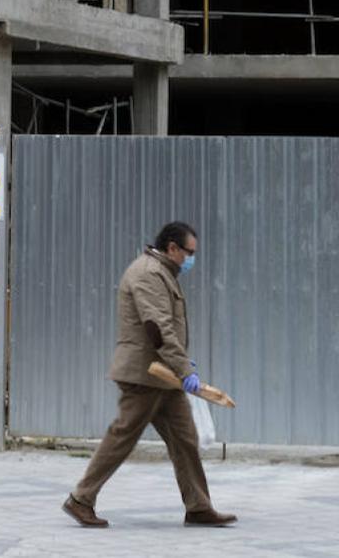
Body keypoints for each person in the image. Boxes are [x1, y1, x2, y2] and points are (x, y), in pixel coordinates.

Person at [63, 221, 237, 529]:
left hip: (163, 375)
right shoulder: (148, 274)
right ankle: (80, 499)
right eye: (189, 253)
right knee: (123, 436)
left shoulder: (161, 272)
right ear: (172, 248)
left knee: (185, 439)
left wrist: (181, 364)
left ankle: (198, 506)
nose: (191, 259)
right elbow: (157, 328)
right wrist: (184, 369)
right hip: (144, 374)